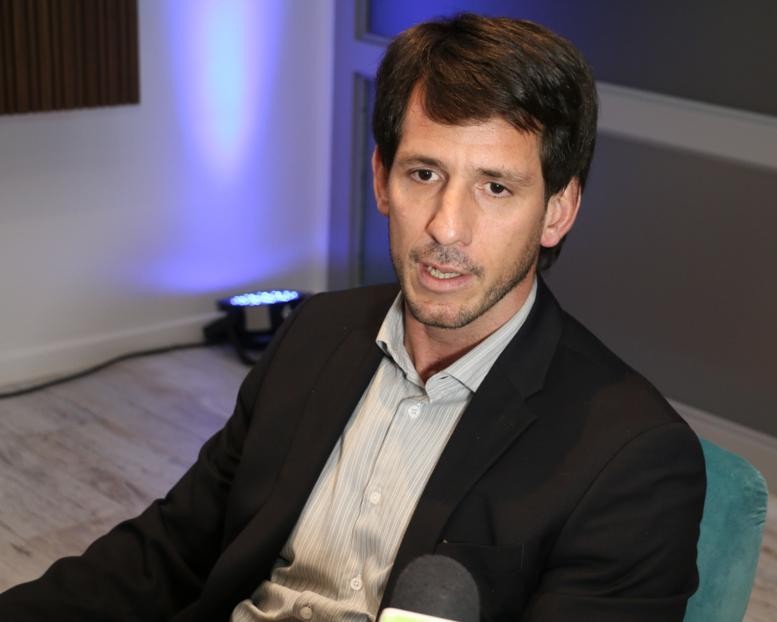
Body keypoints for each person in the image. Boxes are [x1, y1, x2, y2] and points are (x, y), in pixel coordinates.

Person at [0, 13, 705, 622]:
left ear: (557, 210)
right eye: (423, 174)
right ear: (381, 180)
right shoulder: (315, 333)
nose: (446, 227)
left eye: (495, 187)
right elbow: (171, 550)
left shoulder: (632, 458)